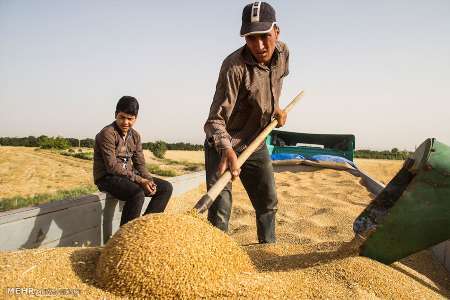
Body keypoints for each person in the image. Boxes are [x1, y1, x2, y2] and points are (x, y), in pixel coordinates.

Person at [203, 2, 289, 243]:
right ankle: (216, 262)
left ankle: (268, 251)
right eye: (252, 38)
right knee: (220, 210)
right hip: (223, 146)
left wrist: (277, 109)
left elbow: (274, 85)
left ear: (277, 32)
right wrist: (227, 148)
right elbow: (214, 120)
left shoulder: (283, 54)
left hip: (256, 140)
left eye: (265, 36)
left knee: (268, 202)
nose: (259, 45)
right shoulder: (234, 67)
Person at [94, 96, 173, 226]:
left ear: (136, 118)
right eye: (122, 117)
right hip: (107, 178)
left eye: (130, 119)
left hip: (128, 177)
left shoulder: (135, 136)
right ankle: (125, 237)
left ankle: (144, 228)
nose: (125, 122)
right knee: (137, 193)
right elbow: (112, 166)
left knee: (165, 188)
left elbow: (140, 163)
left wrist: (149, 181)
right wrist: (140, 180)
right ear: (115, 115)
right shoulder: (107, 133)